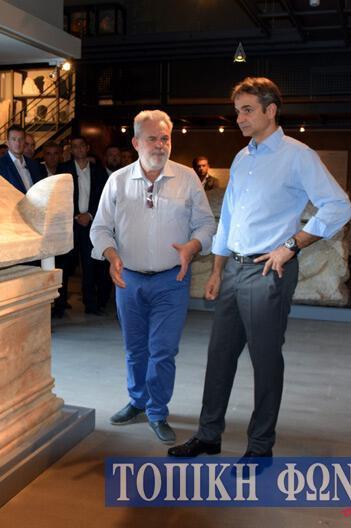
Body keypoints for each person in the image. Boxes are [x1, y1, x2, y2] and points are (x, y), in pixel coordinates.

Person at [169, 77, 351, 459]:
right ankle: (209, 435)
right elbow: (229, 219)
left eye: (247, 110)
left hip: (269, 271)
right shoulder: (242, 158)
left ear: (271, 110)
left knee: (265, 362)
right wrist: (217, 271)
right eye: (237, 111)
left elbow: (339, 206)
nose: (239, 118)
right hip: (233, 270)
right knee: (219, 356)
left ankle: (260, 446)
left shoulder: (298, 155)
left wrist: (291, 246)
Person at [91, 110, 216, 444]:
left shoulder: (187, 178)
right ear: (136, 142)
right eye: (152, 139)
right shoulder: (118, 181)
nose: (160, 145)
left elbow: (206, 224)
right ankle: (138, 401)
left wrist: (192, 246)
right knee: (135, 349)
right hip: (128, 279)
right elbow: (100, 228)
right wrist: (111, 255)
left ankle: (157, 411)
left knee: (162, 350)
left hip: (171, 280)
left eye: (165, 138)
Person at [58, 136, 111, 317]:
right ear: (71, 150)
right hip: (70, 225)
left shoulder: (98, 171)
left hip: (90, 224)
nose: (79, 149)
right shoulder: (63, 170)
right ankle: (60, 305)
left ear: (87, 148)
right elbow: (60, 197)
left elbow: (103, 198)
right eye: (75, 146)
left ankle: (90, 304)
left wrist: (89, 215)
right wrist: (75, 215)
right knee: (65, 265)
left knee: (90, 265)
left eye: (82, 146)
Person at [0, 126, 43, 193]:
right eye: (14, 139)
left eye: (21, 139)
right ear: (8, 142)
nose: (18, 143)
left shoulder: (33, 164)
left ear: (24, 142)